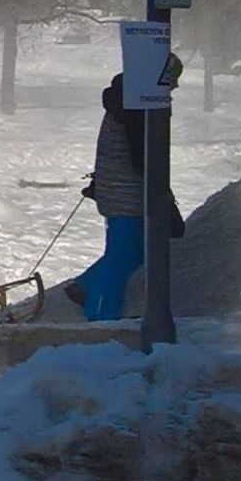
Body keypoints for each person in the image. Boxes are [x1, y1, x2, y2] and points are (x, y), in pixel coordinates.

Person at [67, 65, 182, 321]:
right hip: (126, 193)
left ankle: (85, 287)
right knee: (123, 256)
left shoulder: (126, 101)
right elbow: (143, 157)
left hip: (119, 188)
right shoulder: (137, 109)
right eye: (172, 81)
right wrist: (162, 191)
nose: (175, 87)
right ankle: (100, 314)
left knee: (135, 250)